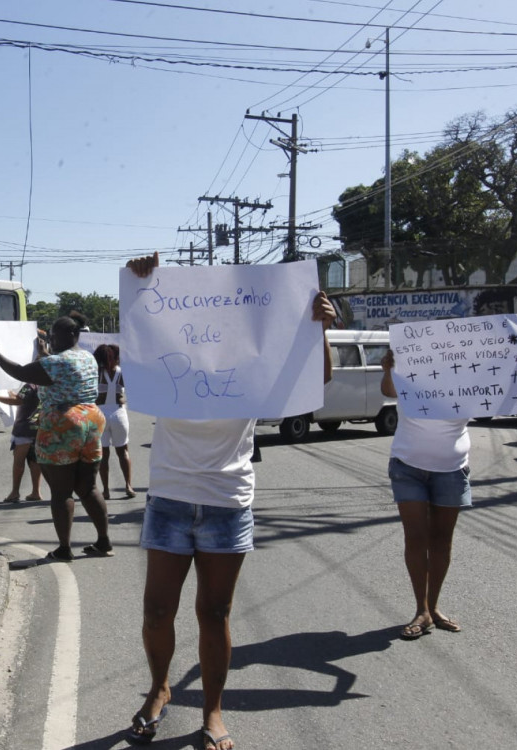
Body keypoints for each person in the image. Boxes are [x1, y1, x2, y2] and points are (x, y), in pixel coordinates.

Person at [122, 252, 336, 750]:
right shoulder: (168, 348)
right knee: (156, 611)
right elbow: (139, 337)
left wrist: (318, 329)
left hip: (227, 499)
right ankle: (159, 688)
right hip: (170, 496)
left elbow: (314, 382)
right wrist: (141, 280)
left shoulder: (260, 357)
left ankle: (213, 710)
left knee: (214, 612)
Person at [380, 345, 517, 640]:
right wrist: (388, 367)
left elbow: (501, 400)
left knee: (441, 540)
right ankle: (421, 609)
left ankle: (434, 607)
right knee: (416, 537)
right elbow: (389, 390)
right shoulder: (410, 372)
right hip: (407, 466)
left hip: (452, 469)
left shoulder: (469, 379)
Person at [0, 317, 112, 562]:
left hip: (63, 423)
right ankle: (103, 541)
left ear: (65, 335)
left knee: (62, 492)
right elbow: (58, 373)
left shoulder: (54, 362)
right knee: (89, 487)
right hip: (92, 419)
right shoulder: (87, 358)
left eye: (52, 336)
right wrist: (44, 355)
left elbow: (19, 372)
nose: (50, 340)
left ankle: (64, 548)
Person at [0, 334, 48, 503]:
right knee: (35, 461)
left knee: (19, 462)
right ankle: (36, 492)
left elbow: (19, 400)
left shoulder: (31, 383)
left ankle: (15, 492)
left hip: (24, 427)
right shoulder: (45, 381)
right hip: (39, 427)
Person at [93, 343, 135, 499]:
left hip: (100, 414)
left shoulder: (97, 373)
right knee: (123, 451)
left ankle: (106, 490)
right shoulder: (121, 373)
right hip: (119, 413)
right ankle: (128, 485)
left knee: (104, 454)